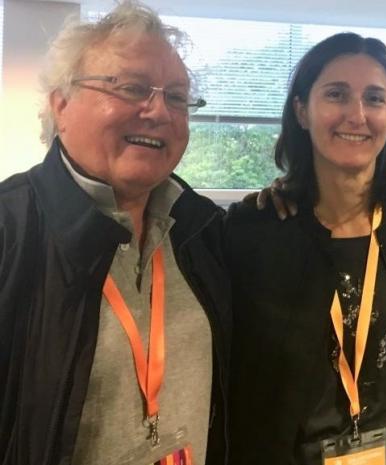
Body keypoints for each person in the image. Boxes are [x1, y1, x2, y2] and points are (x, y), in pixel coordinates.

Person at [0, 2, 231, 465]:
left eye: (178, 97)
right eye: (132, 88)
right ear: (60, 104)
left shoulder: (200, 230)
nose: (159, 111)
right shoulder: (11, 231)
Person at [225, 32, 386, 465]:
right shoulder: (251, 233)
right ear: (301, 111)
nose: (357, 114)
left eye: (375, 98)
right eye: (336, 94)